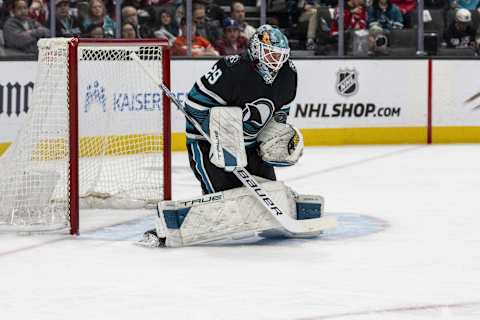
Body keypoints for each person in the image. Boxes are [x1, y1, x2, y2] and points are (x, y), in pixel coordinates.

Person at [140, 25, 308, 247]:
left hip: (251, 146)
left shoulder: (288, 74)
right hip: (208, 145)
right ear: (256, 50)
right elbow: (194, 105)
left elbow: (280, 111)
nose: (276, 62)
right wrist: (224, 138)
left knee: (267, 204)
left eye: (280, 57)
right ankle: (168, 226)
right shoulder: (231, 70)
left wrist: (273, 138)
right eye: (271, 55)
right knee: (227, 202)